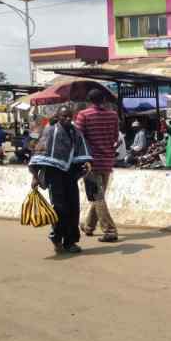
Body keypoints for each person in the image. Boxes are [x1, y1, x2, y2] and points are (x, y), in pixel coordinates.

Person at [29, 106, 93, 253]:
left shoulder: (76, 132)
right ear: (58, 117)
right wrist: (35, 177)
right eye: (64, 116)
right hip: (54, 174)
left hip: (70, 175)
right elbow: (38, 155)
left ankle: (70, 242)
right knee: (60, 209)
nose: (68, 119)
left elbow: (82, 151)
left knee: (73, 208)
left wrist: (86, 164)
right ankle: (56, 238)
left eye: (70, 116)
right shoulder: (49, 131)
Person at [75, 89, 120, 243]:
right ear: (103, 100)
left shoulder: (84, 115)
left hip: (91, 162)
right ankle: (88, 226)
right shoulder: (113, 115)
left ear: (89, 100)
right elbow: (115, 137)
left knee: (97, 196)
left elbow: (78, 138)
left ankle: (110, 230)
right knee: (98, 196)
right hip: (107, 160)